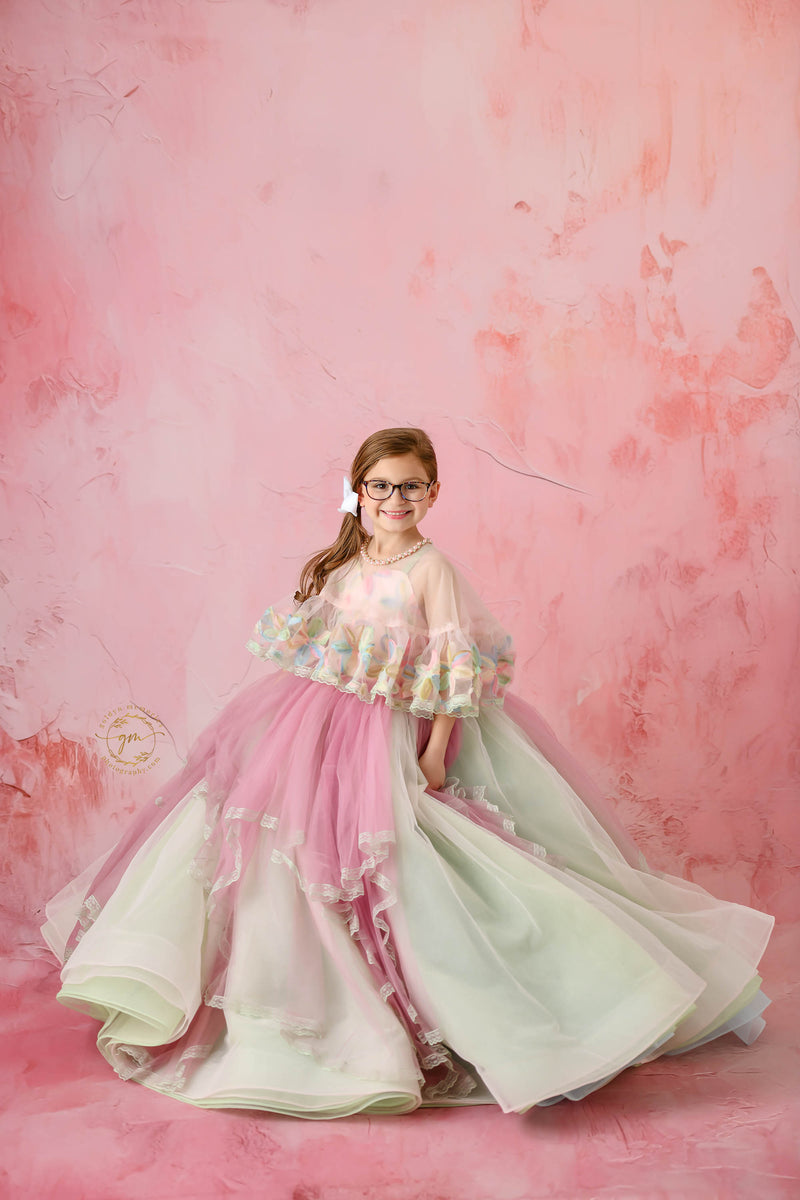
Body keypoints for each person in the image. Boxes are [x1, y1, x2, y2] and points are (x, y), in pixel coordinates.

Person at [41, 426, 775, 1117]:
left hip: (398, 730)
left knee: (402, 856)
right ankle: (285, 1000)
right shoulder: (346, 562)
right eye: (382, 486)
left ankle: (510, 1000)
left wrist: (433, 750)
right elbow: (324, 647)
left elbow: (454, 665)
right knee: (274, 840)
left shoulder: (432, 568)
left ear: (433, 493)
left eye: (411, 487)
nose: (396, 499)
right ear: (358, 490)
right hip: (316, 726)